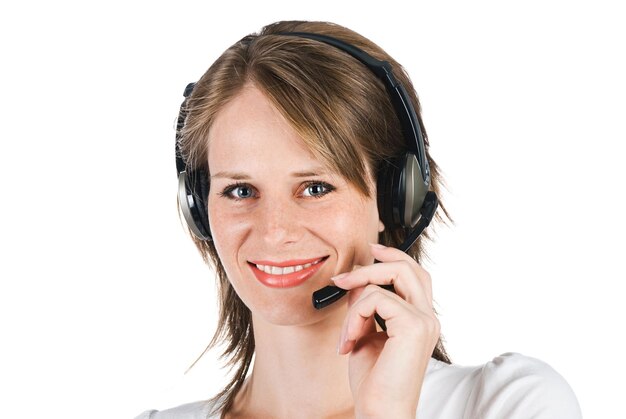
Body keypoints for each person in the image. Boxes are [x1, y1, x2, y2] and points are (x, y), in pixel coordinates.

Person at [137, 20, 581, 419]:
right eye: (240, 191)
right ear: (198, 205)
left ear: (395, 198)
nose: (274, 231)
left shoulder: (510, 405)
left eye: (315, 188)